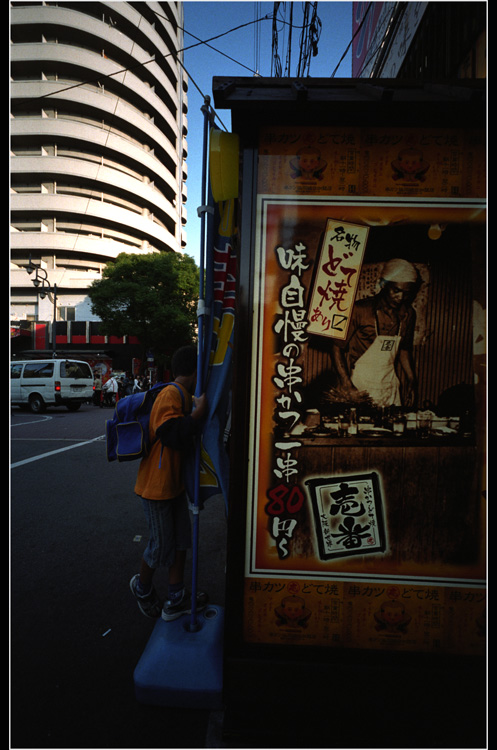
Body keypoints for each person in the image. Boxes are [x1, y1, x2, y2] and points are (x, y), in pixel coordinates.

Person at [130, 345, 208, 621]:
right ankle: (142, 587)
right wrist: (197, 414)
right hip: (157, 487)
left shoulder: (183, 395)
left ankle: (176, 596)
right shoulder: (170, 394)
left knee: (180, 542)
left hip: (174, 485)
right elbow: (170, 435)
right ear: (195, 370)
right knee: (161, 545)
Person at [331, 258, 420, 408]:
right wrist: (347, 384)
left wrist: (411, 379)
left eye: (407, 293)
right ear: (383, 284)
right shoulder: (359, 310)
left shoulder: (408, 314)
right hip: (359, 384)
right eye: (396, 291)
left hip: (389, 385)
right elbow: (336, 347)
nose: (401, 298)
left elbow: (404, 348)